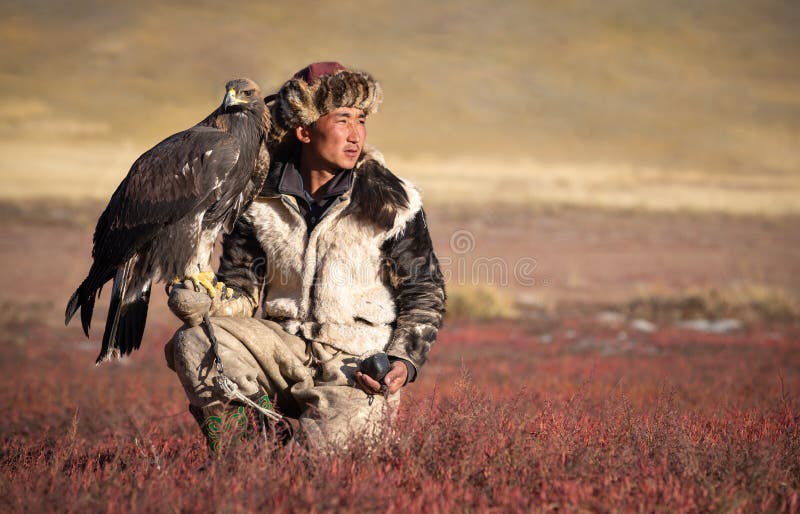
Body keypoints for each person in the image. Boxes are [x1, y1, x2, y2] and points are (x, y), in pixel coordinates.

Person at [164, 62, 446, 450]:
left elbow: (424, 290)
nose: (355, 134)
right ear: (304, 130)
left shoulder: (391, 201)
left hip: (355, 364)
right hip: (283, 348)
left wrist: (402, 360)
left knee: (319, 467)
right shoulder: (257, 199)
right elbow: (241, 286)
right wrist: (208, 303)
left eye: (361, 120)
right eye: (342, 119)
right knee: (195, 341)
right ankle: (245, 456)